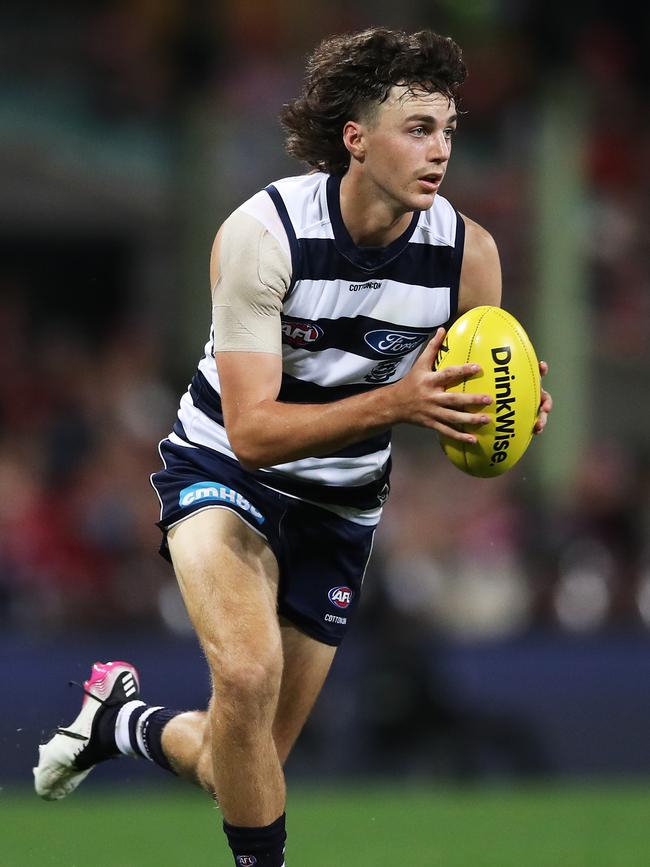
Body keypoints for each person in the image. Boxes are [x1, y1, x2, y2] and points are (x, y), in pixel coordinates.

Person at [34, 26, 552, 866]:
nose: (441, 149)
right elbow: (254, 429)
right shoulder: (263, 235)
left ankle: (117, 721)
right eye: (418, 127)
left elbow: (461, 408)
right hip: (224, 472)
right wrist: (400, 401)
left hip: (342, 504)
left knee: (247, 762)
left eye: (449, 129)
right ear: (356, 137)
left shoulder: (470, 258)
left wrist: (506, 416)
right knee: (244, 675)